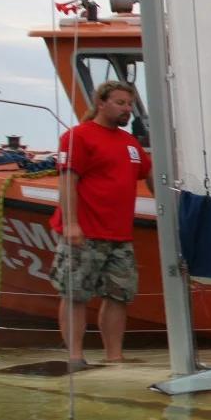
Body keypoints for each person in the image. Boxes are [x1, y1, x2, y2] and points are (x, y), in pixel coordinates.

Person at [49, 80, 153, 369]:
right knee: (75, 293)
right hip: (85, 231)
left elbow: (149, 174)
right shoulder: (78, 136)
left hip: (119, 234)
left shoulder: (130, 143)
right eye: (121, 103)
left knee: (120, 294)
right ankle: (74, 356)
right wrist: (71, 224)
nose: (127, 109)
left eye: (130, 104)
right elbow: (67, 178)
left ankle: (114, 356)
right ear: (101, 103)